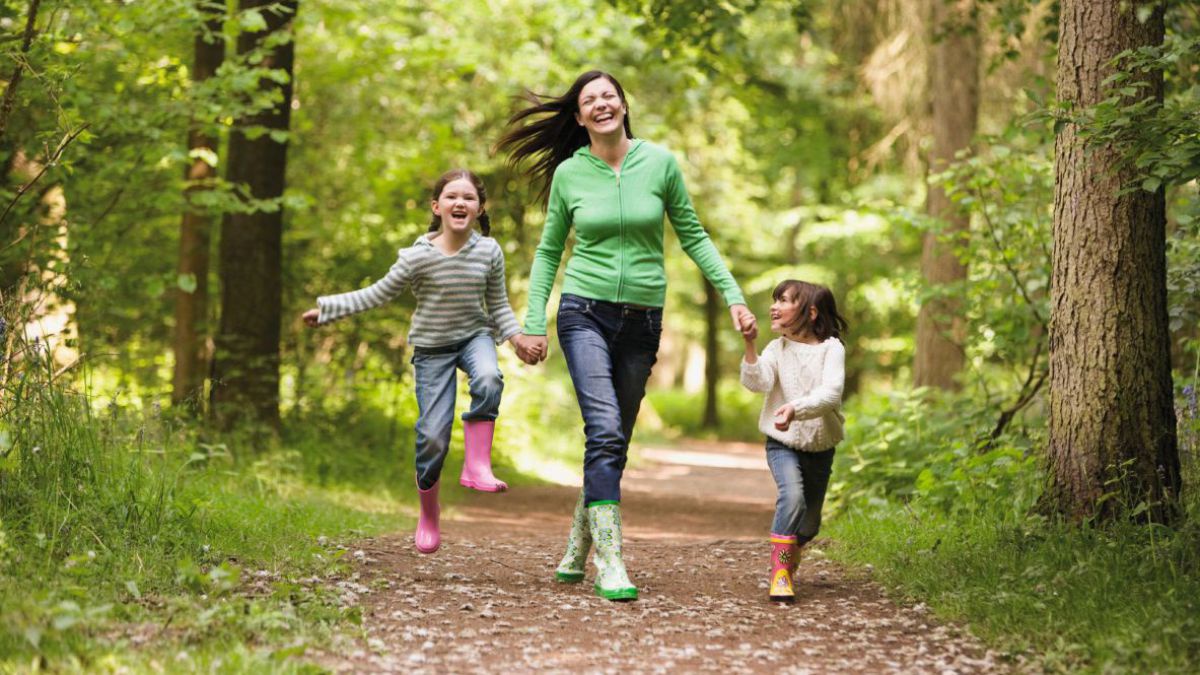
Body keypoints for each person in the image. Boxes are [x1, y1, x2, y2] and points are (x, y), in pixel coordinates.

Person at [498, 70, 757, 601]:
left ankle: (578, 543)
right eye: (589, 100)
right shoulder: (572, 173)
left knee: (613, 442)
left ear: (623, 105)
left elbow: (693, 233)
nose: (600, 105)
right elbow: (549, 251)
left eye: (608, 96)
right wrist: (532, 322)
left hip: (643, 319)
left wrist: (732, 295)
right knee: (606, 430)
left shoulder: (659, 163)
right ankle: (611, 562)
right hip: (583, 313)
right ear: (578, 117)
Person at [301, 169, 544, 554]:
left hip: (474, 337)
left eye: (468, 197)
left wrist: (516, 340)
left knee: (489, 378)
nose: (460, 202)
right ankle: (429, 511)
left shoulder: (489, 251)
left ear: (479, 208)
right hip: (432, 348)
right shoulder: (417, 257)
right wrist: (327, 310)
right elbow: (376, 294)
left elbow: (497, 306)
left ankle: (476, 466)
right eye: (451, 196)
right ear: (437, 206)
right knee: (432, 436)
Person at [740, 279, 847, 603]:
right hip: (781, 442)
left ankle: (792, 547)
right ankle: (781, 573)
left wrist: (795, 408)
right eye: (775, 299)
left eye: (783, 300)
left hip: (820, 446)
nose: (774, 306)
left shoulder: (832, 349)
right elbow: (757, 383)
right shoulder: (777, 348)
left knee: (810, 524)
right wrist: (750, 346)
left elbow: (830, 394)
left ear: (811, 312)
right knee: (794, 497)